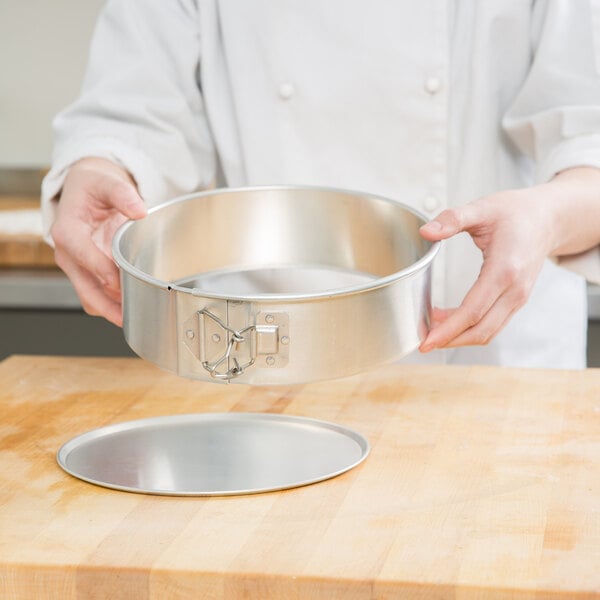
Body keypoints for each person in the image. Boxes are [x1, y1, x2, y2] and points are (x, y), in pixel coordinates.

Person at [42, 0, 600, 368]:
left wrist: (546, 217)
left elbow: (589, 143)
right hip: (265, 354)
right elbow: (134, 113)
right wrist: (101, 170)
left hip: (493, 365)